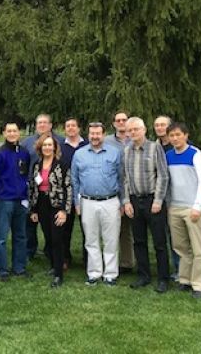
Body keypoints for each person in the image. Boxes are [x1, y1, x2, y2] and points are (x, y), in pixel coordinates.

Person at [71, 122, 124, 286]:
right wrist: (77, 203)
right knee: (91, 239)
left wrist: (122, 202)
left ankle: (110, 274)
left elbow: (122, 179)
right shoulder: (79, 154)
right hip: (87, 202)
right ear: (88, 135)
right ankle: (94, 273)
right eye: (92, 134)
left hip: (110, 201)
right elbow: (75, 180)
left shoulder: (115, 153)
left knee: (111, 239)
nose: (95, 137)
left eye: (98, 133)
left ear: (103, 134)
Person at [122, 117, 170, 293]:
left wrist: (158, 200)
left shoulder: (155, 147)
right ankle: (143, 275)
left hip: (153, 200)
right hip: (135, 201)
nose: (133, 133)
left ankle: (163, 278)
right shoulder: (126, 151)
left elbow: (163, 176)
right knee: (139, 241)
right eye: (130, 130)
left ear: (144, 130)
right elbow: (124, 179)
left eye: (136, 129)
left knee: (159, 241)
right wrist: (126, 201)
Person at [165, 122, 201, 299]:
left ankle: (200, 284)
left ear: (186, 135)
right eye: (172, 135)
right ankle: (185, 279)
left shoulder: (195, 154)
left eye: (178, 135)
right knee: (181, 247)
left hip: (192, 208)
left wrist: (197, 206)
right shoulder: (168, 155)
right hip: (175, 207)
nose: (175, 138)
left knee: (199, 248)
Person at [28, 134, 72, 287]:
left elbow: (68, 188)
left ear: (54, 147)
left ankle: (59, 275)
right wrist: (33, 210)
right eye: (44, 145)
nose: (47, 147)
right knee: (48, 237)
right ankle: (54, 266)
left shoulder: (62, 164)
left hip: (56, 205)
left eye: (50, 145)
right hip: (41, 204)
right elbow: (34, 187)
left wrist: (64, 210)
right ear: (40, 148)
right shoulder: (36, 164)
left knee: (57, 239)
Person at [21, 114, 64, 260]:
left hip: (52, 190)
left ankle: (50, 251)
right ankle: (29, 250)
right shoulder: (26, 143)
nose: (42, 125)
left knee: (50, 224)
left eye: (45, 123)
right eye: (39, 123)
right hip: (32, 188)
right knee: (30, 221)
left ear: (51, 125)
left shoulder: (60, 141)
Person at [0, 122, 32, 281]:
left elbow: (25, 174)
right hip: (4, 200)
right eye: (9, 131)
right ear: (4, 133)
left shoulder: (24, 153)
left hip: (21, 200)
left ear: (19, 133)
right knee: (2, 237)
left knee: (21, 236)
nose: (12, 133)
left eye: (15, 131)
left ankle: (19, 267)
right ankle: (2, 269)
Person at [105, 110, 134, 275]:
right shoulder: (107, 141)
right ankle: (125, 263)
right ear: (114, 123)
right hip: (116, 190)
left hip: (137, 190)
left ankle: (137, 261)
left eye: (124, 120)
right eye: (118, 120)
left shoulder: (137, 139)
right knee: (120, 229)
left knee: (137, 230)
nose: (121, 123)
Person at [153, 115, 179, 280]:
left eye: (163, 125)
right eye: (157, 125)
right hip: (160, 196)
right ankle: (176, 269)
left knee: (178, 236)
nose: (160, 128)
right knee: (166, 234)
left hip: (177, 197)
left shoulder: (176, 146)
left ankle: (182, 268)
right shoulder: (154, 146)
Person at [60, 117, 88, 268]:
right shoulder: (60, 147)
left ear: (79, 128)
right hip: (66, 192)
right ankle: (65, 258)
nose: (70, 128)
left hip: (85, 192)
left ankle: (87, 258)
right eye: (67, 126)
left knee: (87, 228)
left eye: (73, 125)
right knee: (65, 227)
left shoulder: (87, 145)